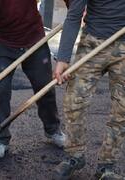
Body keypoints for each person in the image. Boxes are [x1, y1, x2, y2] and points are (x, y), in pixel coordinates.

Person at [0, 0, 66, 159]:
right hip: (4, 45)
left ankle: (52, 130)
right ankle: (0, 138)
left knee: (44, 87)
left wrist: (75, 8)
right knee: (1, 90)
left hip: (34, 41)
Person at [53, 0, 125, 179]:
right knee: (73, 101)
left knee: (122, 109)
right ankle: (75, 155)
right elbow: (74, 15)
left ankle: (106, 167)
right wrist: (63, 58)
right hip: (92, 42)